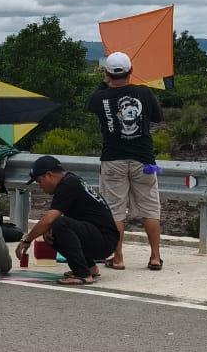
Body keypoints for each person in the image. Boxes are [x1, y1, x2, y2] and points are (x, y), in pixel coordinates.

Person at [87, 52, 165, 271]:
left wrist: (104, 84)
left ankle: (118, 257)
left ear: (107, 73)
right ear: (131, 71)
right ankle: (155, 257)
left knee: (115, 210)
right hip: (145, 161)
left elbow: (91, 102)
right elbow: (158, 117)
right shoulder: (144, 92)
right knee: (150, 207)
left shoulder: (99, 97)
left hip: (112, 160)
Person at [16, 156, 119, 285]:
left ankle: (83, 274)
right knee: (51, 231)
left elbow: (49, 219)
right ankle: (89, 268)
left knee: (58, 224)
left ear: (49, 175)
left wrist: (27, 240)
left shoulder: (68, 184)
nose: (40, 186)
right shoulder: (69, 180)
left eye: (39, 181)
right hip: (100, 237)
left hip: (104, 240)